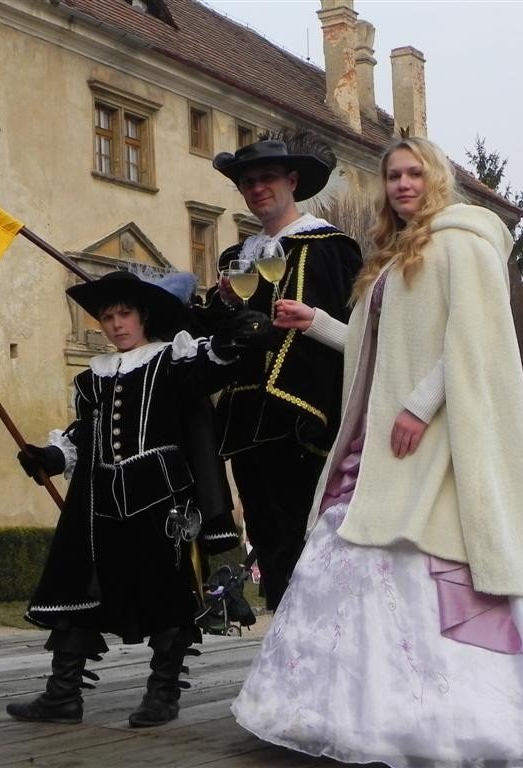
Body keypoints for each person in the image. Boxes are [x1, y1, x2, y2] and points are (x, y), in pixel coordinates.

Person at [231, 137, 523, 767]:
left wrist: (418, 407)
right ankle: (356, 714)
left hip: (432, 441)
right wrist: (314, 321)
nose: (402, 184)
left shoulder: (462, 242)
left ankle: (457, 721)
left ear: (437, 180)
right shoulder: (392, 257)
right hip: (377, 444)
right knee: (353, 560)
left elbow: (474, 341)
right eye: (393, 175)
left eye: (413, 173)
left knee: (423, 560)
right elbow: (379, 354)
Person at [5, 270, 268, 728]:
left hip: (161, 500)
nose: (115, 324)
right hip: (100, 500)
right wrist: (49, 456)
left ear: (142, 315)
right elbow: (85, 433)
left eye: (123, 313)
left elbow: (212, 367)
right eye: (107, 317)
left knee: (166, 593)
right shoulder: (94, 379)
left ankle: (162, 695)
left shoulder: (173, 362)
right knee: (79, 585)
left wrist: (233, 331)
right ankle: (62, 695)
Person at [196, 137, 363, 610]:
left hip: (298, 412)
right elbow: (217, 333)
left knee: (303, 532)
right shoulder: (238, 257)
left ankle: (316, 641)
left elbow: (353, 333)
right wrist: (222, 306)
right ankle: (283, 646)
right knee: (267, 539)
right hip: (244, 414)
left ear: (292, 182)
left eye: (266, 179)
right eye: (247, 183)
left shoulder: (329, 247)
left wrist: (294, 331)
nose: (256, 189)